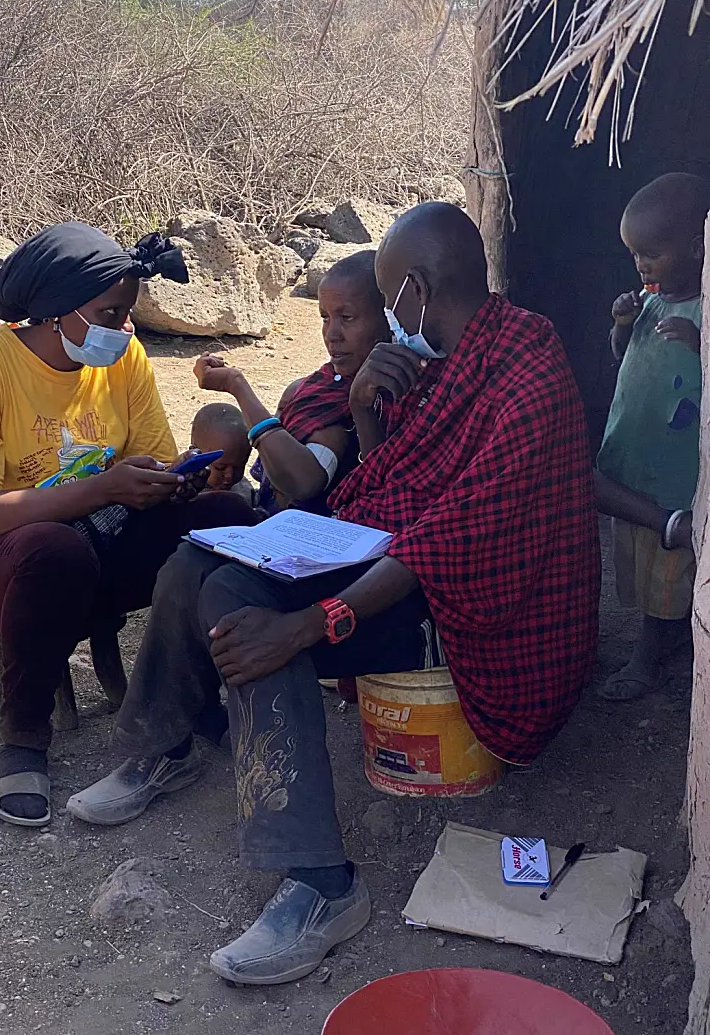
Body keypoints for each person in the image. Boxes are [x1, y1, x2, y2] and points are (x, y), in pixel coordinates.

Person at [67, 203, 600, 985]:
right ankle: (167, 746)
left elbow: (448, 534)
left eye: (387, 298)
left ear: (415, 287)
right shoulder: (453, 353)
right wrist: (364, 415)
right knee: (192, 567)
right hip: (406, 561)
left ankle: (321, 884)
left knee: (259, 615)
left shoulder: (525, 366)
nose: (386, 318)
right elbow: (396, 485)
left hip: (478, 610)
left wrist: (314, 622)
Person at [0, 221, 256, 827]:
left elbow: (149, 463)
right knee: (54, 550)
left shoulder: (125, 357)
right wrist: (101, 488)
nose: (125, 328)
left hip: (101, 538)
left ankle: (189, 704)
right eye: (110, 313)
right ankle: (24, 740)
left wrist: (176, 481)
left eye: (128, 312)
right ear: (55, 312)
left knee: (227, 517)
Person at [595, 173, 710, 700]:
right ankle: (670, 642)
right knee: (643, 564)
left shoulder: (702, 312)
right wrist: (622, 324)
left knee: (671, 569)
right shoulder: (651, 303)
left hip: (675, 470)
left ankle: (650, 656)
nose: (640, 264)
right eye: (634, 253)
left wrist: (700, 344)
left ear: (696, 246)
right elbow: (626, 360)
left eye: (652, 253)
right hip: (634, 458)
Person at [193, 250, 390, 516]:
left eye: (347, 318)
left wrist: (236, 385)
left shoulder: (395, 395)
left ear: (388, 318)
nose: (332, 335)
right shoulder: (316, 390)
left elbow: (304, 482)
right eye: (325, 317)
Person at [190, 402, 255, 503]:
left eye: (239, 467)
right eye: (220, 468)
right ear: (194, 454)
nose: (229, 476)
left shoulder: (245, 491)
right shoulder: (181, 493)